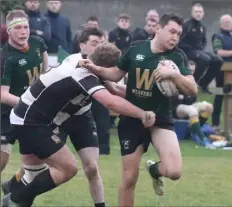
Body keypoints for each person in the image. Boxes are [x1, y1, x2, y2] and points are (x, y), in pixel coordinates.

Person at [2, 31, 156, 206]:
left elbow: (115, 89)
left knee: (47, 170)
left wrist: (148, 98)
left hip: (46, 119)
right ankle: (16, 199)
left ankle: (16, 194)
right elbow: (111, 102)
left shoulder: (90, 67)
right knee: (66, 168)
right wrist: (142, 114)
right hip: (30, 120)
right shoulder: (82, 72)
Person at [81, 12, 198, 207]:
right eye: (172, 32)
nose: (175, 37)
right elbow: (116, 73)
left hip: (160, 119)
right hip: (132, 119)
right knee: (129, 179)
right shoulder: (136, 48)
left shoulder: (177, 56)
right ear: (158, 29)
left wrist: (174, 75)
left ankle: (155, 171)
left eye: (178, 34)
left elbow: (193, 89)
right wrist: (96, 69)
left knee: (174, 171)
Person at [1, 9, 48, 175]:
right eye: (18, 28)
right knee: (2, 159)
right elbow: (3, 95)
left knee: (36, 163)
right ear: (8, 31)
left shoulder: (38, 44)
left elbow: (45, 74)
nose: (23, 32)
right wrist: (30, 102)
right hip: (6, 114)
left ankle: (12, 189)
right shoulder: (5, 58)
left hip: (31, 113)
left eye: (26, 27)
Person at [179, 3, 223, 93]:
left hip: (199, 52)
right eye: (196, 12)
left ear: (203, 13)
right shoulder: (187, 25)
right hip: (187, 52)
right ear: (192, 13)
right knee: (205, 59)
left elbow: (204, 41)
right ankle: (191, 83)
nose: (198, 14)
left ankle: (203, 84)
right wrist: (191, 47)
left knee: (218, 60)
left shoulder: (202, 27)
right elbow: (179, 42)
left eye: (200, 12)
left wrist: (201, 47)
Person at [172, 60, 214, 148]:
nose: (191, 72)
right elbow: (173, 100)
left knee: (209, 107)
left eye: (192, 71)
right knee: (192, 110)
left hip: (189, 106)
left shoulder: (193, 80)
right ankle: (202, 139)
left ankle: (194, 132)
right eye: (189, 70)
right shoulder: (176, 80)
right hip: (176, 108)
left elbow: (192, 100)